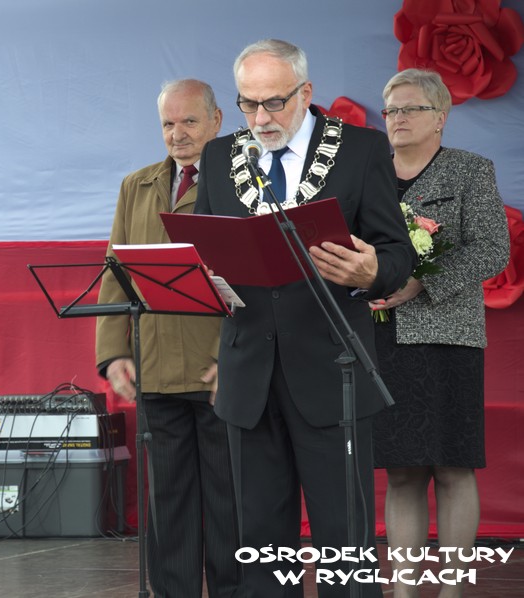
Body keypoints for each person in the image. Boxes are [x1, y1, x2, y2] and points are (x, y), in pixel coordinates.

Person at [193, 39, 415, 597]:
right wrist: (204, 278)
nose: (261, 118)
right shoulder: (219, 157)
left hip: (331, 372)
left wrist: (372, 272)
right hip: (248, 374)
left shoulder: (361, 150)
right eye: (248, 103)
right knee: (261, 542)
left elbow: (396, 252)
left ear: (305, 92)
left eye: (274, 102)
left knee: (345, 538)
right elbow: (204, 249)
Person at [95, 78, 240, 597]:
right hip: (154, 367)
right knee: (168, 501)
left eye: (189, 121)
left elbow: (257, 280)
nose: (178, 134)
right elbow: (115, 273)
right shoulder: (136, 185)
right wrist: (114, 353)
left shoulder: (244, 182)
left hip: (220, 369)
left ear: (217, 121)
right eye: (168, 124)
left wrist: (235, 360)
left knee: (229, 501)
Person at [370, 69, 510, 598]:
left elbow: (493, 248)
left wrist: (422, 284)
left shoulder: (470, 169)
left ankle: (452, 590)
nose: (398, 119)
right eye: (391, 111)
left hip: (448, 337)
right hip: (383, 337)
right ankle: (404, 590)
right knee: (402, 471)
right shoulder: (369, 175)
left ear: (440, 118)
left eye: (411, 109)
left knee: (453, 467)